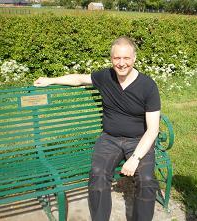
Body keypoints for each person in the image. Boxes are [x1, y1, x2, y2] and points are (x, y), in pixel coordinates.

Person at [34, 36, 160, 221]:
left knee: (147, 181)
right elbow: (78, 79)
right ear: (111, 59)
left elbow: (152, 130)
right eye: (117, 58)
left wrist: (135, 158)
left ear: (134, 58)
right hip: (110, 139)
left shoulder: (148, 85)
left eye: (126, 58)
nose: (122, 63)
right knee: (98, 176)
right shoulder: (105, 77)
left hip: (138, 141)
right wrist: (50, 80)